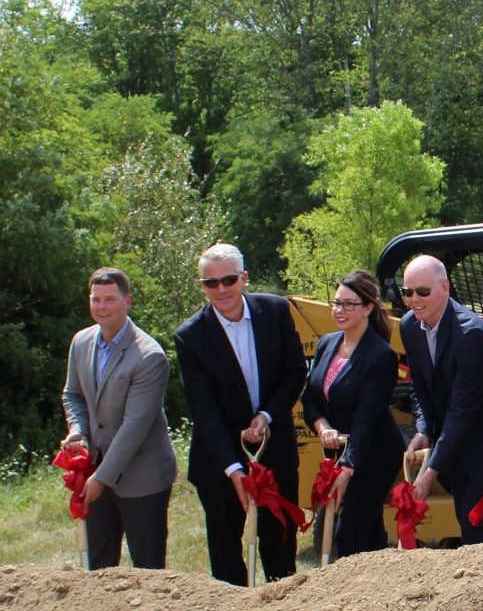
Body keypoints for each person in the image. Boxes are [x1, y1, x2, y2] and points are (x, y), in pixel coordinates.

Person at [175, 244, 309, 585]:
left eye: (229, 279)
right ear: (202, 286)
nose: (221, 290)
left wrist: (266, 415)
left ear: (244, 278)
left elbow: (294, 372)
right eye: (211, 283)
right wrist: (235, 471)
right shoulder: (190, 337)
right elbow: (203, 409)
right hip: (219, 460)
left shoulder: (276, 311)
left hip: (273, 448)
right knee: (225, 553)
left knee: (279, 541)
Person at [399, 254, 483, 545]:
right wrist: (423, 430)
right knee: (465, 519)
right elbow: (420, 387)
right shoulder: (409, 326)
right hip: (455, 440)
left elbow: (462, 411)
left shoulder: (473, 335)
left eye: (422, 292)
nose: (414, 299)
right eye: (407, 292)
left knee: (478, 523)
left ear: (444, 287)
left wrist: (430, 473)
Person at [60, 267, 177, 570]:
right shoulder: (81, 342)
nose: (102, 307)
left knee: (148, 569)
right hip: (95, 470)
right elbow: (72, 395)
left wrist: (100, 478)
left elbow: (134, 427)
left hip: (143, 477)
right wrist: (78, 432)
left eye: (110, 300)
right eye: (96, 299)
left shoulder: (149, 356)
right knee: (98, 568)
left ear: (128, 300)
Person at [301, 270, 406, 561]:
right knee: (370, 532)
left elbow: (367, 418)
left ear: (368, 308)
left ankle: (353, 599)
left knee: (348, 536)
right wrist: (322, 428)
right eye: (336, 303)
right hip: (341, 450)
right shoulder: (327, 343)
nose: (339, 310)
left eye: (349, 304)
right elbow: (309, 397)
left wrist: (348, 468)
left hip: (374, 455)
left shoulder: (381, 356)